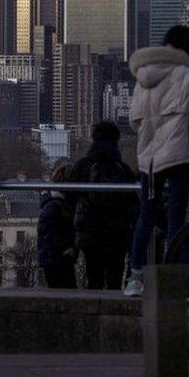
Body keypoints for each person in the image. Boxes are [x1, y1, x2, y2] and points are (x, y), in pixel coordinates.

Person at [123, 25, 189, 297]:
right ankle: (172, 279)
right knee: (177, 220)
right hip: (180, 156)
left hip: (149, 161)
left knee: (146, 216)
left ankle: (135, 277)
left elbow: (134, 121)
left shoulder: (143, 79)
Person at [68, 121, 138, 291]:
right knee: (115, 278)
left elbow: (69, 195)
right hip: (118, 231)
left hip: (90, 231)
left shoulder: (82, 166)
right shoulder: (123, 169)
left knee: (94, 278)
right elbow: (133, 203)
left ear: (94, 138)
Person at [37, 163, 77, 289]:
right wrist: (65, 246)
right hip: (57, 256)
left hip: (55, 256)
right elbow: (46, 231)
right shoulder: (55, 205)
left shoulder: (53, 203)